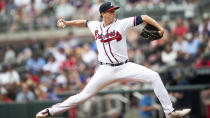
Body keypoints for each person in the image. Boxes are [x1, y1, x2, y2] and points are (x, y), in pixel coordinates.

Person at [36, 2, 191, 118]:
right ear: (103, 14)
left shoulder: (122, 24)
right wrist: (67, 23)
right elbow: (84, 22)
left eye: (114, 10)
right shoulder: (96, 25)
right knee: (83, 96)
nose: (113, 13)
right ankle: (49, 111)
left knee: (154, 76)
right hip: (105, 70)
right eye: (110, 11)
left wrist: (160, 28)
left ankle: (169, 112)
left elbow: (144, 17)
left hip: (125, 67)